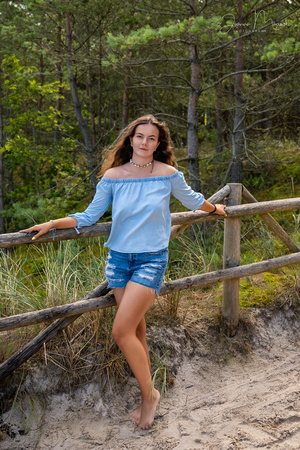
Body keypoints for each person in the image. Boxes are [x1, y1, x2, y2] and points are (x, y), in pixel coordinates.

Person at [20, 115, 226, 429]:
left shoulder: (168, 174)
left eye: (152, 138)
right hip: (118, 262)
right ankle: (150, 389)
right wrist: (53, 223)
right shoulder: (113, 176)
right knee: (136, 331)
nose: (145, 142)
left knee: (121, 331)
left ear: (159, 144)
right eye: (139, 136)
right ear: (130, 140)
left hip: (151, 260)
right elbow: (88, 216)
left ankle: (149, 398)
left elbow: (194, 200)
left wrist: (216, 209)